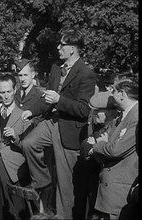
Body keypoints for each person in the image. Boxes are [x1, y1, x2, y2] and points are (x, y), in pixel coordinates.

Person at [21, 28, 96, 218]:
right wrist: (32, 111)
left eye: (61, 44)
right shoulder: (56, 67)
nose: (58, 47)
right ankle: (43, 182)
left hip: (70, 130)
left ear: (72, 49)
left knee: (66, 185)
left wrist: (58, 101)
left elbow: (83, 109)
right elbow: (47, 97)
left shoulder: (86, 73)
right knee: (28, 143)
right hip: (51, 122)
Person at [0, 74, 32, 220]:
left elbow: (30, 146)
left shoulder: (24, 116)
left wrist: (16, 137)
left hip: (13, 168)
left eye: (9, 91)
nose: (6, 96)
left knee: (16, 209)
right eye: (2, 92)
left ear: (15, 90)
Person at [87, 78, 138, 220]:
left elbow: (115, 150)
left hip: (120, 196)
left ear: (122, 94)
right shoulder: (124, 115)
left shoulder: (136, 116)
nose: (111, 95)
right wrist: (103, 145)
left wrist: (99, 145)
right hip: (108, 193)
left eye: (113, 91)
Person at [80, 91, 119, 219]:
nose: (95, 114)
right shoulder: (101, 129)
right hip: (95, 185)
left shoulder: (115, 130)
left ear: (110, 112)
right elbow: (86, 143)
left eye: (99, 111)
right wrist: (94, 148)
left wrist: (97, 146)